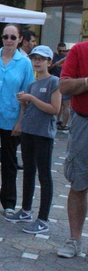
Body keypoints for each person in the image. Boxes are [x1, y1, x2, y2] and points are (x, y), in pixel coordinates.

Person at [0, 24, 35, 215]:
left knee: (9, 161)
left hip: (11, 117)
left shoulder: (24, 63)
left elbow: (27, 93)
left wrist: (21, 121)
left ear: (20, 39)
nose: (9, 40)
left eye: (13, 37)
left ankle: (9, 202)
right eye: (5, 37)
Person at [6, 46, 60, 234]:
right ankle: (26, 210)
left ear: (49, 62)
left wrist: (32, 98)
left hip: (43, 134)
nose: (37, 62)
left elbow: (55, 109)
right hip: (28, 131)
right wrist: (23, 104)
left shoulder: (54, 82)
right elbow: (27, 108)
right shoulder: (32, 83)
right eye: (34, 58)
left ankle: (43, 218)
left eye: (41, 59)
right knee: (28, 171)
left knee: (44, 175)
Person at [56, 40, 88, 258]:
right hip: (83, 123)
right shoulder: (80, 50)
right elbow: (64, 87)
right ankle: (74, 239)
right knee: (78, 182)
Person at [50, 43, 70, 131]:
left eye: (63, 50)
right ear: (57, 49)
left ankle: (64, 124)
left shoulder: (69, 57)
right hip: (56, 82)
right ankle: (57, 121)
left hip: (65, 82)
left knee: (66, 105)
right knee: (58, 104)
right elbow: (49, 68)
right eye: (60, 50)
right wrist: (56, 64)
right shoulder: (54, 57)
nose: (61, 52)